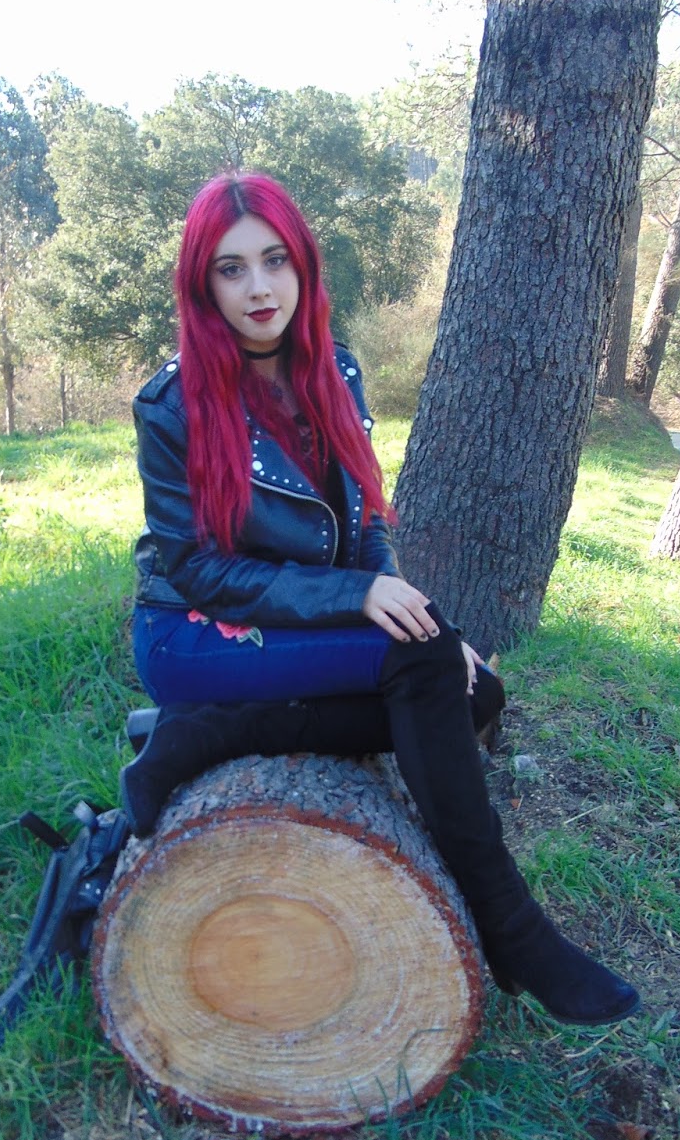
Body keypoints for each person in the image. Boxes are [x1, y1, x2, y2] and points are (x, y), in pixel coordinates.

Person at [121, 172, 639, 1027]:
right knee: (429, 677)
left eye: (275, 261)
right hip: (196, 631)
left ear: (303, 264)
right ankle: (512, 927)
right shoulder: (173, 404)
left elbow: (365, 526)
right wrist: (366, 600)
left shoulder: (335, 369)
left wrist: (418, 614)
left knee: (476, 693)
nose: (258, 288)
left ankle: (212, 735)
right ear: (202, 285)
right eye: (231, 269)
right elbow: (200, 571)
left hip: (296, 616)